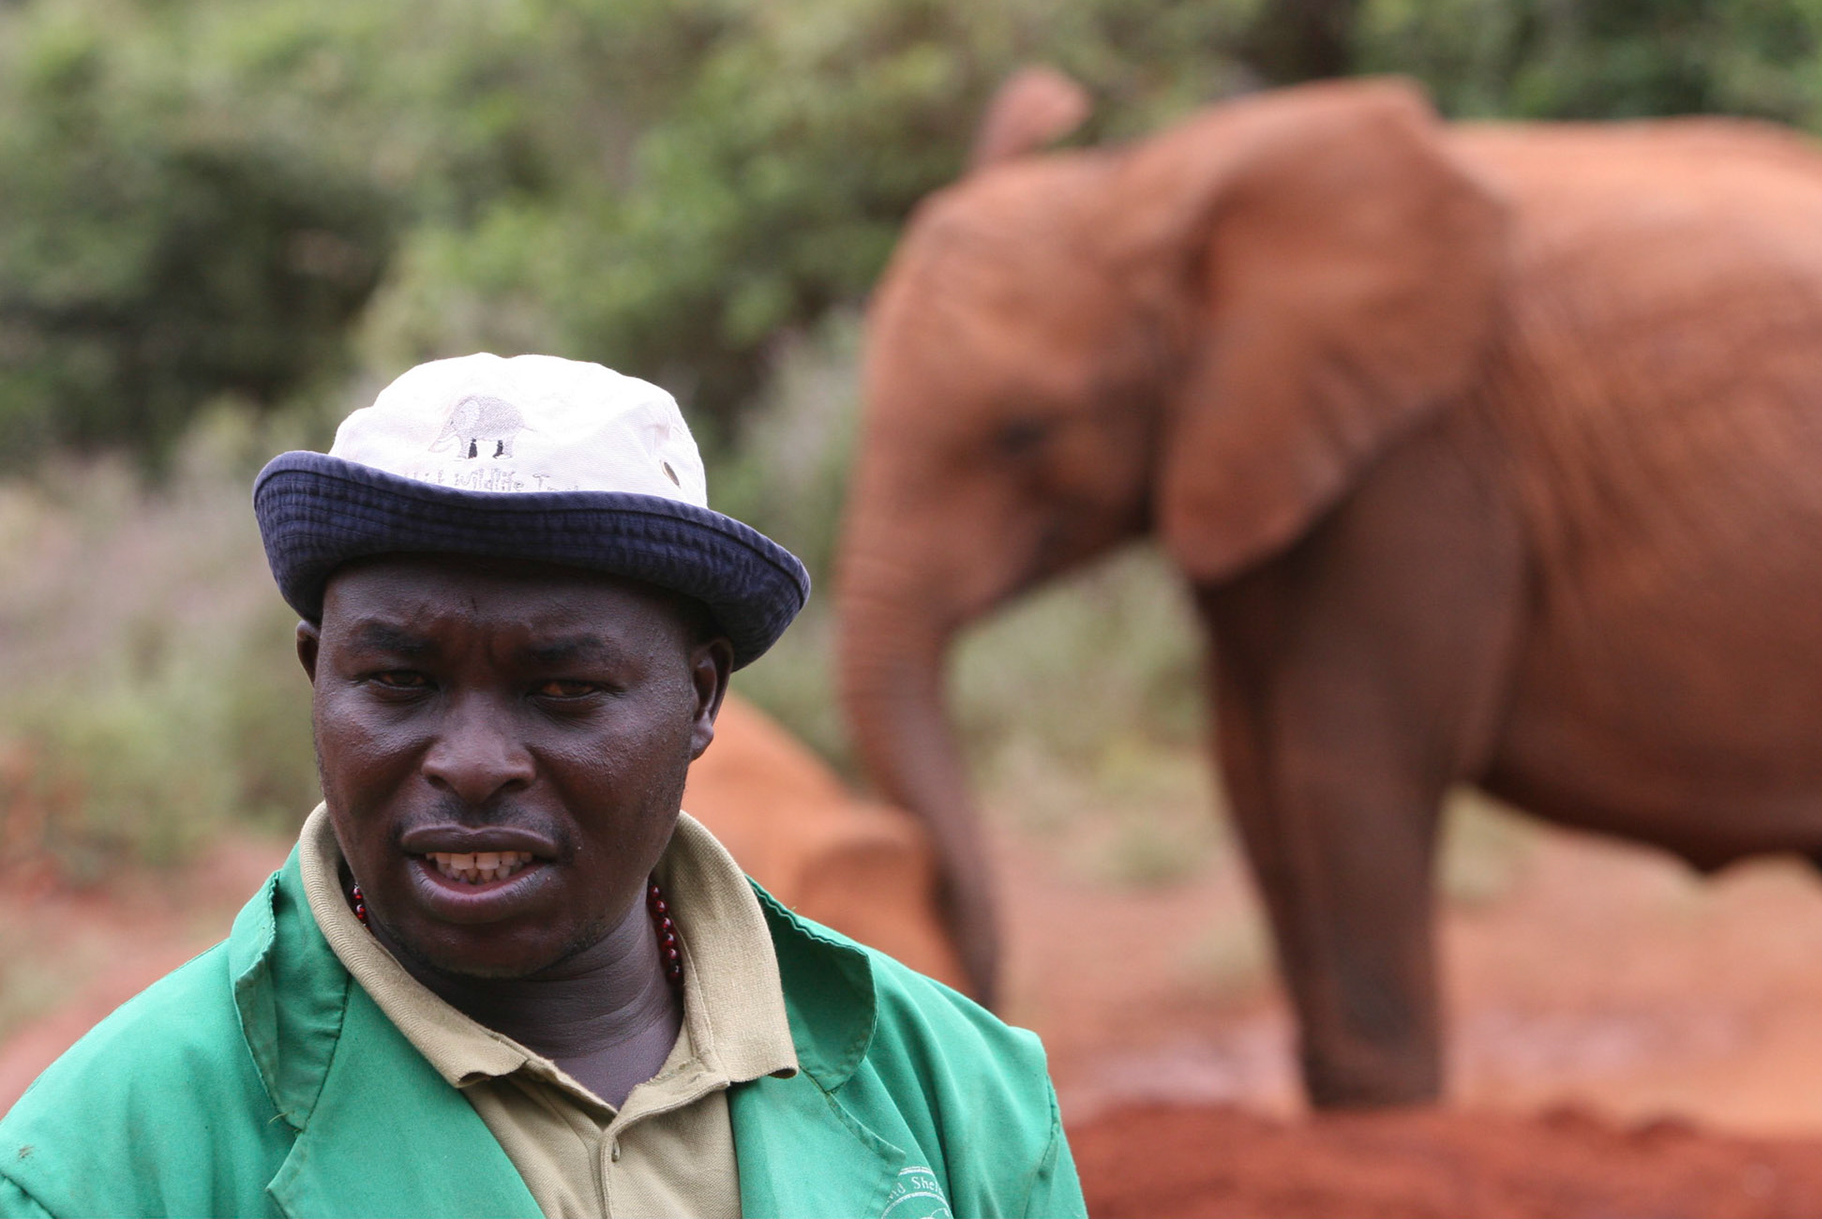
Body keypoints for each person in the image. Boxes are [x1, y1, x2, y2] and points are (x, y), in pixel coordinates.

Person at [0, 355, 1083, 1219]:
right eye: (399, 680)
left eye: (563, 687)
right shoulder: (107, 1163)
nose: (472, 762)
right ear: (316, 676)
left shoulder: (964, 1098)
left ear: (702, 696)